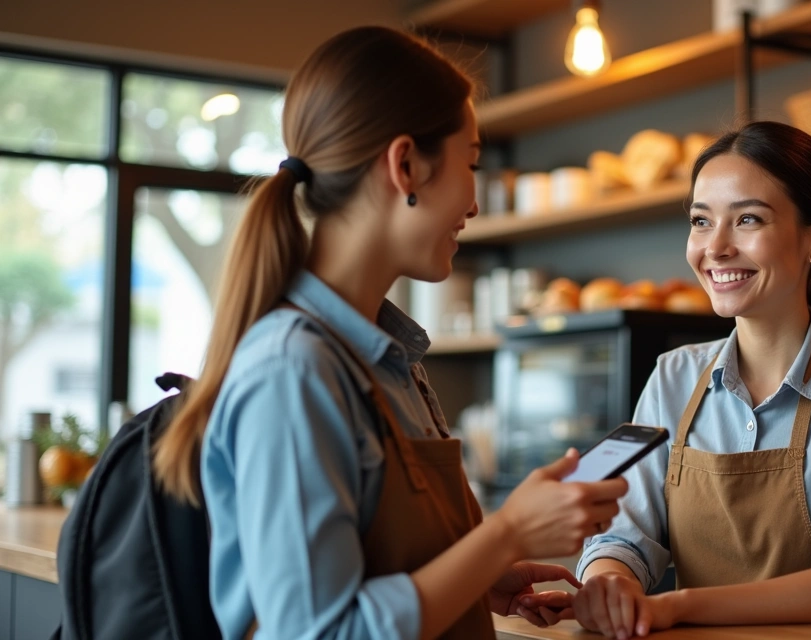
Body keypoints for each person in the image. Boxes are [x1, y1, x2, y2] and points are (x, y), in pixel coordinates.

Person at [151, 26, 627, 640]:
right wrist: (504, 533)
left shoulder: (388, 360)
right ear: (405, 165)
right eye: (471, 162)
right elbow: (320, 632)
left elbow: (377, 571)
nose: (476, 201)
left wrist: (479, 580)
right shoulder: (295, 370)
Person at [571, 121, 811, 638]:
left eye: (747, 219)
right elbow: (625, 537)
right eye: (700, 221)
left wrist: (679, 606)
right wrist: (611, 581)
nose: (714, 247)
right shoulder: (674, 376)